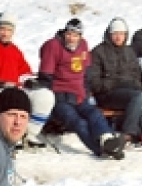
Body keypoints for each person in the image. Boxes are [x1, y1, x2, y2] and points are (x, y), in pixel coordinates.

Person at [38, 18, 125, 160]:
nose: (71, 38)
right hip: (60, 97)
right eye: (69, 34)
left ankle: (108, 140)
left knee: (95, 114)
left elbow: (86, 72)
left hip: (79, 95)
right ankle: (100, 149)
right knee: (78, 122)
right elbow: (45, 77)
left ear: (80, 36)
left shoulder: (83, 45)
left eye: (75, 35)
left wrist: (86, 91)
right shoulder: (53, 46)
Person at [88, 18, 142, 155]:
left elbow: (136, 76)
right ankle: (128, 135)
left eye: (122, 34)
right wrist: (116, 83)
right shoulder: (98, 52)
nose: (118, 37)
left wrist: (136, 86)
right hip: (107, 94)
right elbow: (94, 82)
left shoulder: (129, 52)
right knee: (138, 98)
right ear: (109, 34)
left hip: (129, 93)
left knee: (140, 99)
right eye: (115, 34)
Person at [0, 13, 32, 87]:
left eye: (9, 30)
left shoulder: (15, 51)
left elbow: (25, 72)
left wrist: (28, 80)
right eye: (3, 29)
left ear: (13, 32)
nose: (5, 34)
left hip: (14, 91)